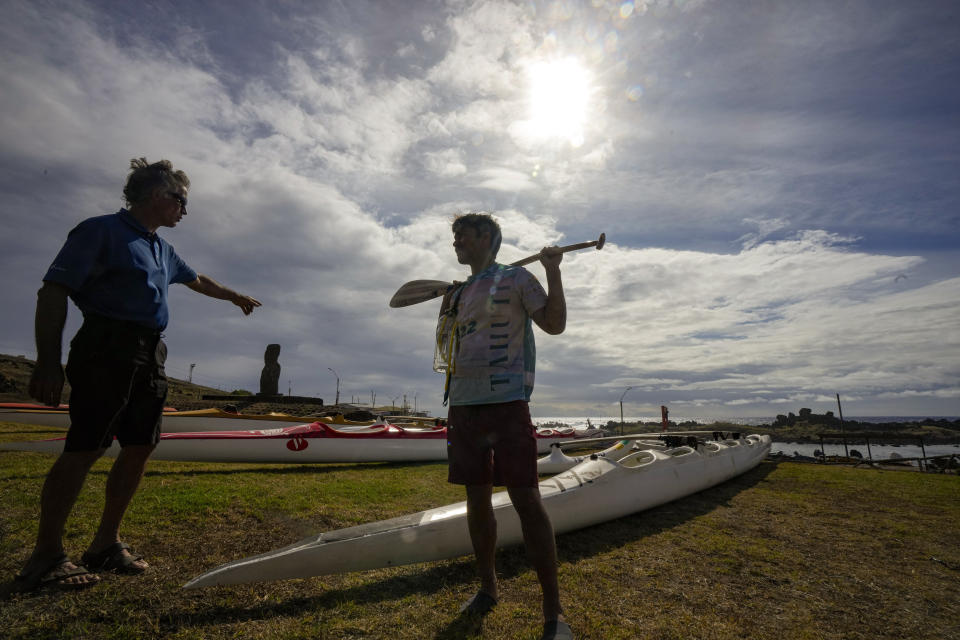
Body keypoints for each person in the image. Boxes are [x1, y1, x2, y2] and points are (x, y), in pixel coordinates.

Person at [15, 158, 261, 592]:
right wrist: (47, 362)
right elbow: (53, 291)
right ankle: (45, 557)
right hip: (105, 346)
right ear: (157, 196)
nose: (184, 211)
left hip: (151, 352)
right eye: (181, 201)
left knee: (140, 446)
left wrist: (234, 296)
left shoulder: (160, 247)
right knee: (85, 448)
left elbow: (197, 279)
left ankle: (104, 544)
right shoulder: (99, 231)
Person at [438, 213, 573, 640]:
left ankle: (553, 613)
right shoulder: (457, 293)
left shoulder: (517, 278)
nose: (456, 240)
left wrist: (551, 271)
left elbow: (554, 324)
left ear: (487, 238)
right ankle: (488, 588)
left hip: (507, 403)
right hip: (463, 406)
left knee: (527, 500)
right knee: (476, 501)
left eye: (463, 234)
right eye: (454, 235)